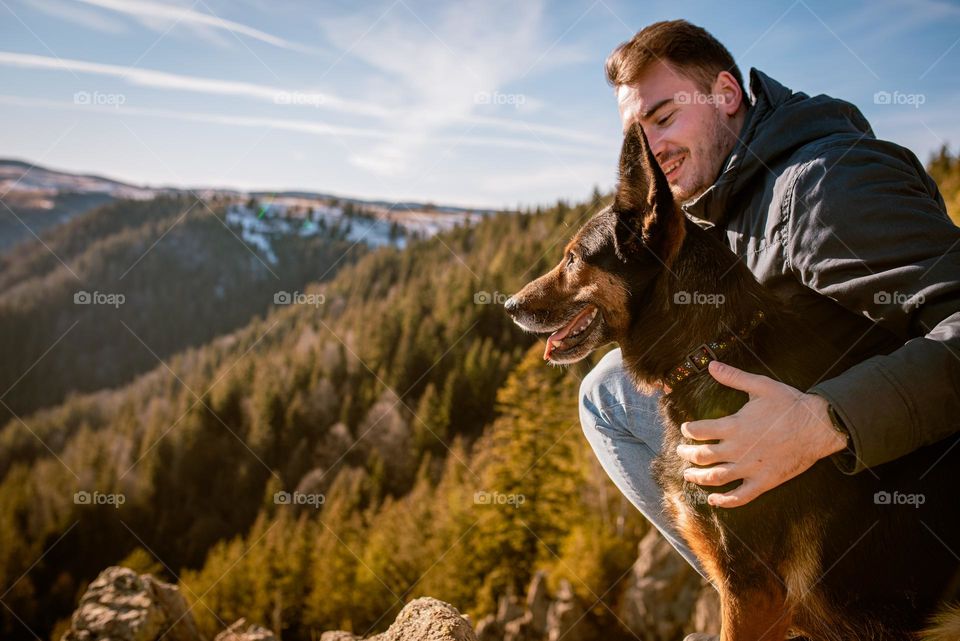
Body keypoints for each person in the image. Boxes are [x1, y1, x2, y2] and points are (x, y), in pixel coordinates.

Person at [578, 18, 960, 633]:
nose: (653, 152)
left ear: (727, 95)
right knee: (609, 390)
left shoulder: (823, 189)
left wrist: (823, 421)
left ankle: (795, 601)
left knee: (609, 396)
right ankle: (762, 590)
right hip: (845, 477)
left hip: (908, 494)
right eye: (637, 135)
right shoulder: (730, 193)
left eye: (666, 117)